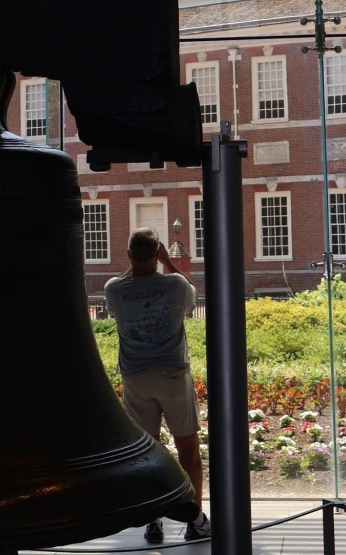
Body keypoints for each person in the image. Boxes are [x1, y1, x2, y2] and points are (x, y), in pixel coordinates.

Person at [104, 227, 211, 545]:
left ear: (128, 255)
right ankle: (197, 521)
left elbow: (124, 284)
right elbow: (192, 295)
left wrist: (136, 267)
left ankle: (153, 521)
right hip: (173, 376)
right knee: (188, 452)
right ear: (158, 252)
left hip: (136, 378)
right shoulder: (175, 284)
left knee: (148, 454)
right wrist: (168, 263)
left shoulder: (114, 290)